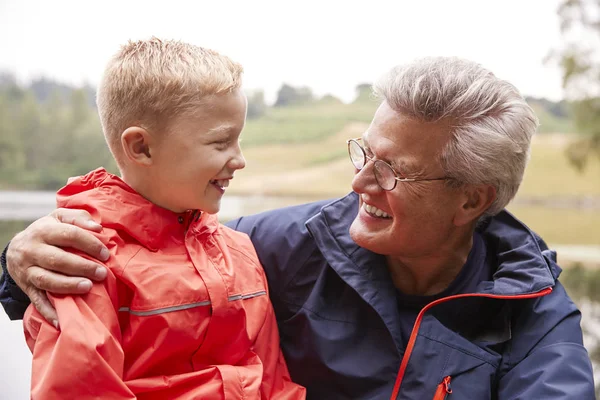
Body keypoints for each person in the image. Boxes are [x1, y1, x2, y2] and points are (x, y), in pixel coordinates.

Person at [2, 57, 595, 399]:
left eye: (395, 173)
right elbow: (154, 249)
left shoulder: (534, 313)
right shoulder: (270, 246)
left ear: (472, 201)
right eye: (364, 152)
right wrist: (17, 262)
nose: (360, 183)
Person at [6, 37, 305, 400]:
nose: (239, 159)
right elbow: (78, 389)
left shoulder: (239, 250)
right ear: (141, 148)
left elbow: (272, 379)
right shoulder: (81, 259)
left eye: (238, 140)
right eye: (221, 142)